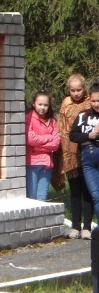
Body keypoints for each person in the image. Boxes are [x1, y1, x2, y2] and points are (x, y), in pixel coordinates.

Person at [59, 75, 93, 238]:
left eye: (79, 89)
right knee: (75, 191)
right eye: (72, 90)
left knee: (87, 190)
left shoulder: (90, 103)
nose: (76, 93)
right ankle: (75, 226)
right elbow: (62, 127)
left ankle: (87, 226)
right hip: (70, 153)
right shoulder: (66, 103)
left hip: (87, 150)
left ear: (84, 88)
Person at [69, 83, 99, 227]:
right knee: (96, 196)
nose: (96, 104)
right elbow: (73, 136)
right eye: (93, 101)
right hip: (88, 161)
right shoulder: (83, 116)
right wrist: (89, 135)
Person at [25, 91, 61, 201]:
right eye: (40, 104)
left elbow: (56, 144)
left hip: (47, 164)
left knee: (42, 197)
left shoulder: (52, 122)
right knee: (31, 197)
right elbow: (30, 139)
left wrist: (37, 146)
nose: (42, 107)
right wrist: (48, 137)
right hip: (32, 163)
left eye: (46, 105)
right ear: (33, 104)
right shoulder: (28, 118)